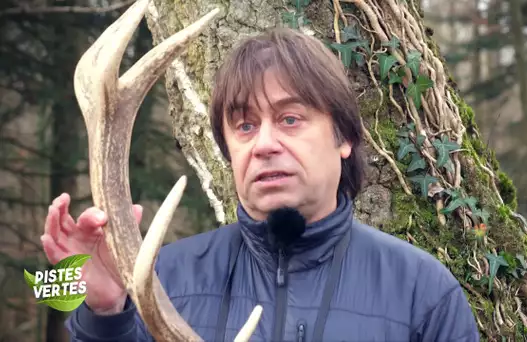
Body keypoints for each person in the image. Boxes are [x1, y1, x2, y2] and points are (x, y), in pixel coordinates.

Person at [41, 27, 480, 341]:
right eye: (245, 126)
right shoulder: (161, 283)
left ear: (344, 137)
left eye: (290, 119)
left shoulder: (422, 293)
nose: (264, 144)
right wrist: (106, 314)